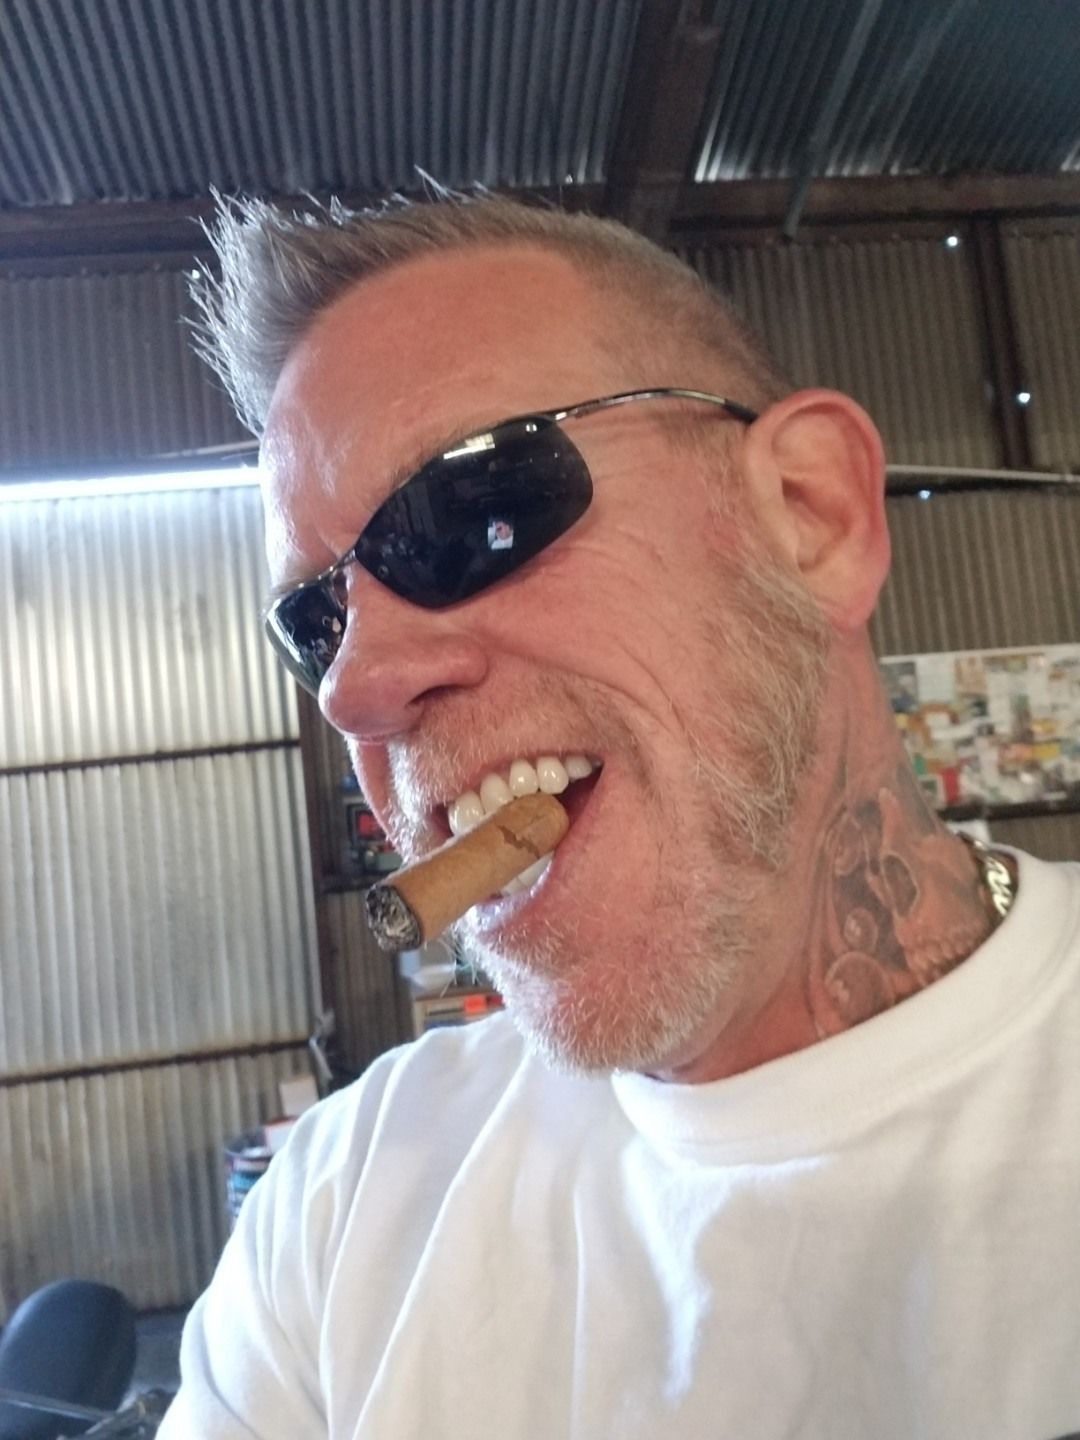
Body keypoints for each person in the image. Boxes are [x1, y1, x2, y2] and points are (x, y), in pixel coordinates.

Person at [159, 192, 1080, 1439]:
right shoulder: (339, 1214)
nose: (353, 689)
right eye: (313, 626)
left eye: (470, 515)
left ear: (811, 517)